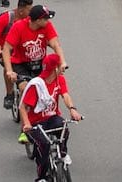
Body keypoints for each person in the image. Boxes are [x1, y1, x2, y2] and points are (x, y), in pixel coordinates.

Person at [19, 53, 82, 182]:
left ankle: (62, 155)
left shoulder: (60, 79)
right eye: (60, 65)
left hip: (52, 118)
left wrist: (72, 110)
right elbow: (23, 107)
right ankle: (41, 177)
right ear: (55, 68)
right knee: (44, 145)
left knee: (64, 128)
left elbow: (65, 95)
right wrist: (26, 124)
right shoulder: (36, 85)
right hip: (36, 122)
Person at [0, 0, 32, 107]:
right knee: (8, 66)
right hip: (6, 52)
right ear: (21, 10)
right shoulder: (7, 18)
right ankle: (9, 95)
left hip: (23, 52)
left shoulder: (29, 20)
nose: (31, 13)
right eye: (29, 10)